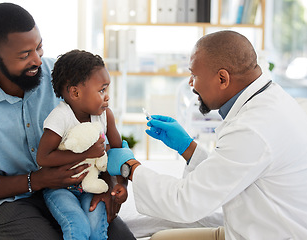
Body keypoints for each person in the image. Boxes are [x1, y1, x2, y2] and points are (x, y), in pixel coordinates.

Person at [0, 3, 134, 240]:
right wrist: (36, 180)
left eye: (39, 47)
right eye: (24, 55)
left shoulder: (62, 79)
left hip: (71, 189)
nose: (38, 60)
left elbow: (104, 132)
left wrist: (111, 183)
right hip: (6, 201)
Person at [107, 30, 307, 240]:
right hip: (255, 227)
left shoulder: (252, 128)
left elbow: (186, 202)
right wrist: (188, 148)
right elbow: (226, 172)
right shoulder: (272, 99)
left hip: (268, 234)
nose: (191, 84)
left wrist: (130, 167)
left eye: (194, 75)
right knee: (161, 238)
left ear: (223, 78)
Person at [36, 49, 127, 240]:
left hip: (90, 187)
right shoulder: (60, 117)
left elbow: (118, 151)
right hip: (60, 189)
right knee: (78, 226)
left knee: (96, 229)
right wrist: (87, 153)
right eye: (101, 90)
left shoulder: (104, 115)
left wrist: (120, 184)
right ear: (75, 92)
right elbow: (43, 158)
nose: (107, 96)